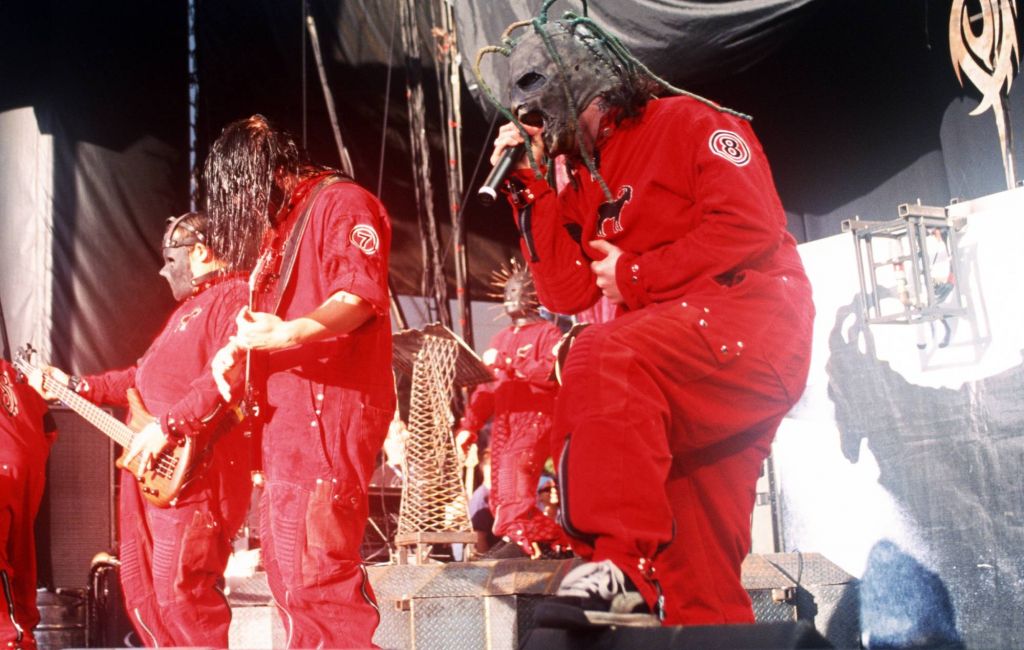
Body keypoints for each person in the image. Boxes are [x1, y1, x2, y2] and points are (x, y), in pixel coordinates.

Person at [479, 9, 815, 629]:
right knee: (698, 574)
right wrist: (529, 189)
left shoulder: (689, 122)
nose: (532, 123)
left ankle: (615, 570)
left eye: (537, 106)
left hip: (751, 330)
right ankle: (668, 607)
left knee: (602, 352)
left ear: (580, 87)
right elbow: (568, 287)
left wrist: (635, 275)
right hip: (680, 370)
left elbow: (749, 225)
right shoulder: (579, 173)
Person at [205, 115, 394, 648]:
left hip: (326, 412)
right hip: (288, 425)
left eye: (243, 187)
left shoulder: (341, 203)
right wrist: (235, 349)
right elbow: (268, 322)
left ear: (269, 170)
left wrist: (287, 334)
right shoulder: (282, 226)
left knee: (318, 581)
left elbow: (355, 299)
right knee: (292, 582)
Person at [30, 212, 253, 647]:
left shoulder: (235, 297)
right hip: (155, 478)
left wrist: (169, 426)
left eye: (171, 259)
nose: (163, 270)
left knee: (181, 596)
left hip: (194, 480)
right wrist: (74, 385)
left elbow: (230, 376)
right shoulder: (188, 311)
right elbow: (138, 378)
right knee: (143, 594)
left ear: (202, 253)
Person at [455, 258, 570, 558]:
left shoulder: (548, 334)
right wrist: (469, 426)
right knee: (500, 501)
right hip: (504, 428)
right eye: (506, 291)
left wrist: (510, 362)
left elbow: (551, 374)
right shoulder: (501, 337)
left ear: (533, 294)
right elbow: (486, 388)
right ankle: (555, 542)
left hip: (534, 422)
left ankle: (543, 545)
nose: (510, 297)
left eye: (517, 290)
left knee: (513, 501)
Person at [0, 356, 56, 650]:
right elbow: (50, 428)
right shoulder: (14, 371)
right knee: (21, 560)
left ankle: (12, 639)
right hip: (28, 469)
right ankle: (21, 637)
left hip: (6, 473)